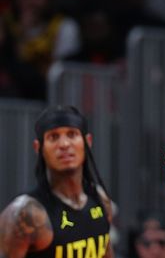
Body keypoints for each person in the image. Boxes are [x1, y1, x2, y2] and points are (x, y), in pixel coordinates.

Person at [0, 105, 114, 257]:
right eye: (53, 137)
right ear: (38, 147)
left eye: (72, 134)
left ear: (88, 141)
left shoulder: (100, 199)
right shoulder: (25, 214)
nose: (64, 144)